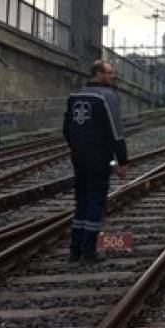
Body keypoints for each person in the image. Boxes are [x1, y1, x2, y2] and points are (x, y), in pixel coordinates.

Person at [63, 59, 128, 264]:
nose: (112, 76)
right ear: (98, 74)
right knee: (95, 202)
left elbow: (66, 128)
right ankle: (90, 250)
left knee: (81, 201)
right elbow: (115, 132)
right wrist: (121, 161)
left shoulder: (75, 96)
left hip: (79, 157)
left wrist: (76, 146)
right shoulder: (107, 97)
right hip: (100, 157)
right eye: (109, 73)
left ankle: (75, 250)